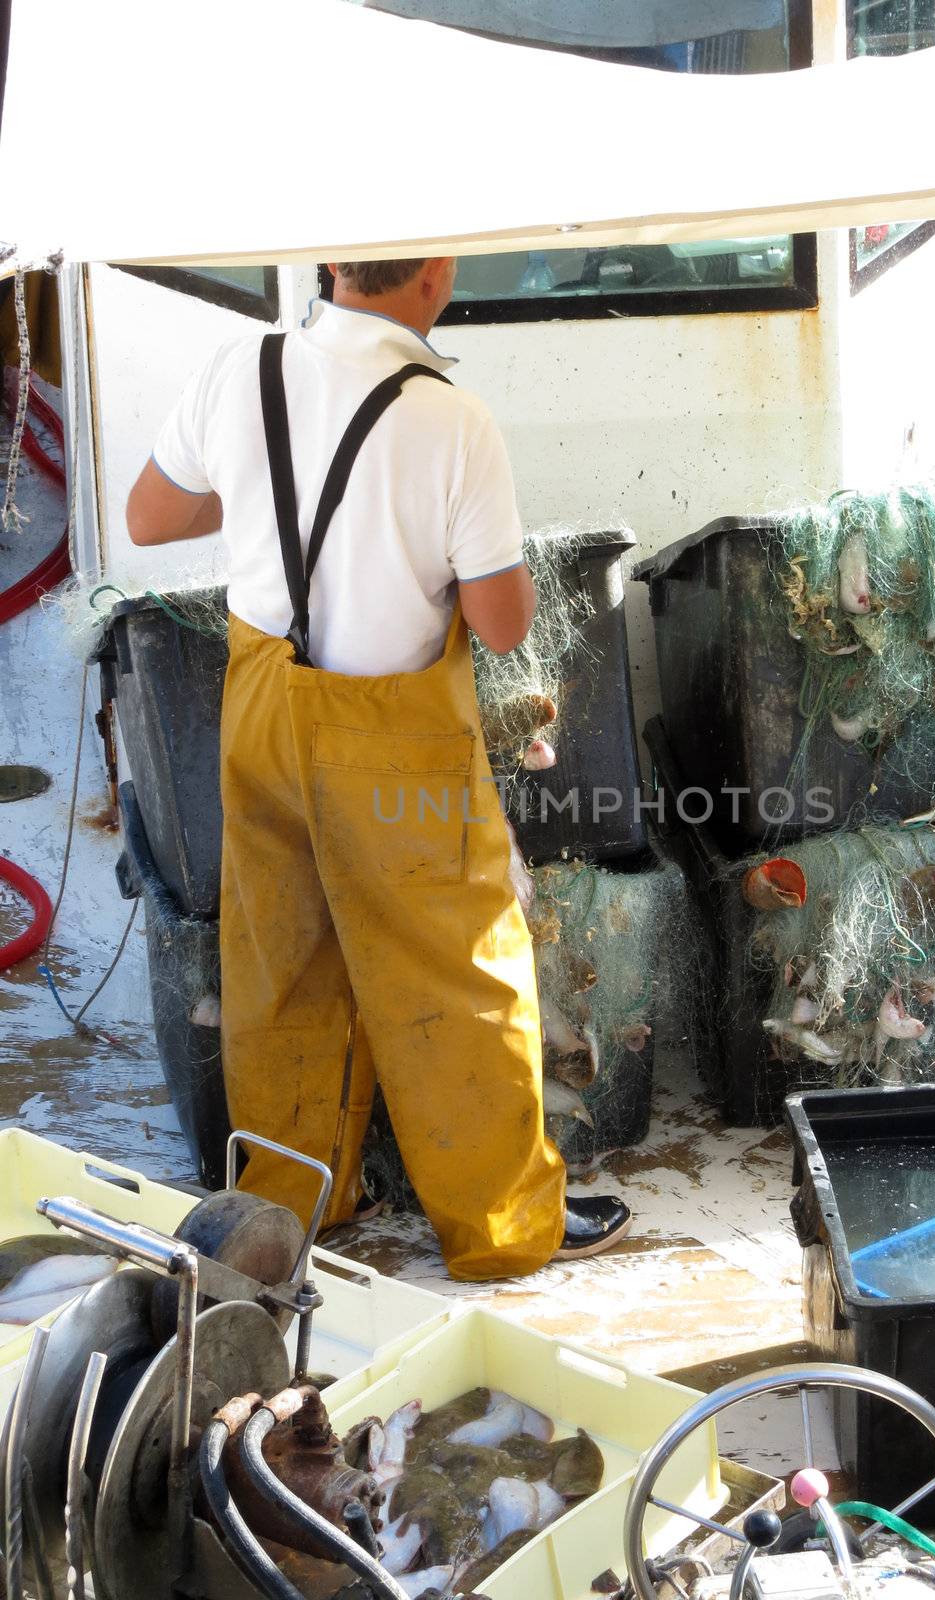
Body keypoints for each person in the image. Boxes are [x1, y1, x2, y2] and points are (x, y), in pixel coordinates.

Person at [126, 256, 632, 1278]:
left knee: (280, 964)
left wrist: (281, 490)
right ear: (435, 271)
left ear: (328, 263)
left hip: (263, 709)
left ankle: (290, 1205)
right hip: (391, 729)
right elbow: (500, 624)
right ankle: (499, 1228)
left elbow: (151, 518)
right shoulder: (450, 419)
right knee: (456, 967)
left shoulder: (243, 367)